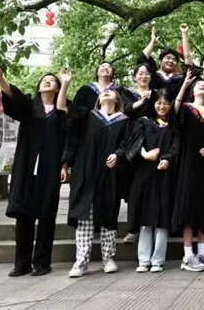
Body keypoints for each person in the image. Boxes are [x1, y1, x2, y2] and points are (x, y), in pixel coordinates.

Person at [0, 66, 71, 277]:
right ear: (38, 87)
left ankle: (42, 262)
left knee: (46, 215)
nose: (47, 81)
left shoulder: (62, 110)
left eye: (52, 80)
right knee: (24, 215)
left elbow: (68, 138)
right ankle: (22, 263)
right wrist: (0, 78)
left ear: (57, 88)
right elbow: (12, 98)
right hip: (27, 168)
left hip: (50, 169)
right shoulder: (29, 107)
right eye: (44, 80)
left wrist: (64, 164)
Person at [63, 88, 131, 277]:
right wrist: (66, 163)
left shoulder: (124, 121)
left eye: (111, 92)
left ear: (117, 100)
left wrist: (118, 155)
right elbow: (71, 133)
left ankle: (108, 258)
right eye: (104, 92)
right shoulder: (87, 116)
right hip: (86, 172)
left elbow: (127, 144)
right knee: (85, 216)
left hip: (109, 175)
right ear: (98, 99)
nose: (107, 92)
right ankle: (81, 262)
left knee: (108, 215)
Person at [126, 89, 177, 273]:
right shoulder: (143, 121)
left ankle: (158, 260)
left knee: (162, 217)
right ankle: (143, 259)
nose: (162, 106)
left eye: (166, 103)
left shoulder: (174, 125)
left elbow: (176, 146)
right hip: (145, 172)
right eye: (158, 102)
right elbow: (134, 141)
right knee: (145, 215)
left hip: (165, 174)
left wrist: (168, 159)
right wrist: (146, 154)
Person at [172, 72, 204, 272]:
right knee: (188, 207)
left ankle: (202, 252)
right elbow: (173, 113)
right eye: (198, 85)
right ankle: (187, 255)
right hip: (188, 163)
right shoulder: (185, 109)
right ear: (191, 91)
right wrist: (184, 85)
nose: (202, 86)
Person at [120, 63, 157, 243]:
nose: (143, 76)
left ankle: (154, 225)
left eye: (147, 73)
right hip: (132, 140)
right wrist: (141, 101)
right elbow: (124, 109)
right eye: (140, 73)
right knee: (134, 188)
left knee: (154, 186)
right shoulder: (126, 93)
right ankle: (133, 228)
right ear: (135, 76)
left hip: (154, 140)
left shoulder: (157, 94)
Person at [138, 25, 192, 100]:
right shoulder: (153, 76)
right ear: (160, 62)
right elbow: (142, 59)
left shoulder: (179, 79)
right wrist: (152, 42)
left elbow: (188, 63)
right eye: (168, 58)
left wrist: (184, 34)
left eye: (174, 59)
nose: (171, 61)